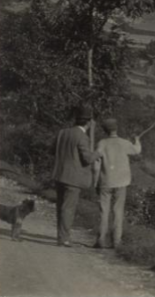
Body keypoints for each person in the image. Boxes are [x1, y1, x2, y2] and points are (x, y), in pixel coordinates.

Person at [52, 104, 102, 247]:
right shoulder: (82, 137)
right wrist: (98, 153)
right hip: (73, 178)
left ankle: (61, 236)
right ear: (89, 122)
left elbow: (52, 150)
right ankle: (63, 239)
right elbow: (87, 159)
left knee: (61, 207)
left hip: (59, 174)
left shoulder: (63, 132)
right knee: (68, 208)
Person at [94, 118, 141, 249]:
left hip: (105, 181)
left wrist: (95, 181)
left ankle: (101, 240)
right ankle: (116, 242)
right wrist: (137, 140)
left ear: (104, 130)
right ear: (116, 129)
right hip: (121, 182)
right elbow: (137, 150)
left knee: (104, 211)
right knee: (118, 211)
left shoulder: (102, 143)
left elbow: (96, 165)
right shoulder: (124, 143)